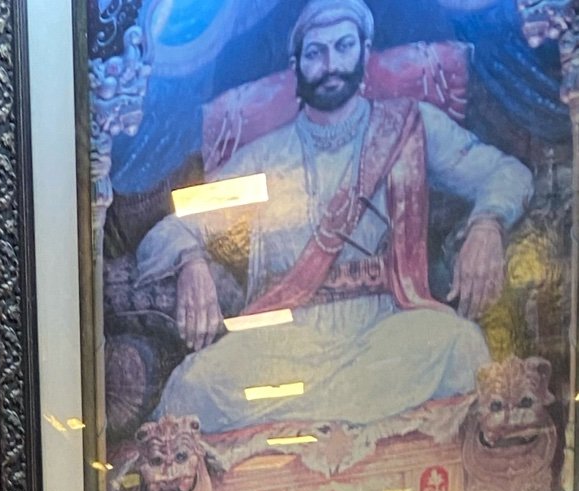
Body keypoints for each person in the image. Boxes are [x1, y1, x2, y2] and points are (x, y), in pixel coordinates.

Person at [137, 0, 530, 436]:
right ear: (296, 66)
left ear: (364, 52)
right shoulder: (267, 158)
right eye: (315, 53)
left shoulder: (410, 127)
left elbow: (507, 174)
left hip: (386, 332)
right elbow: (169, 229)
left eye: (343, 47)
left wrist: (487, 223)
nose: (330, 65)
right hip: (287, 342)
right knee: (193, 388)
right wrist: (191, 261)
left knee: (460, 346)